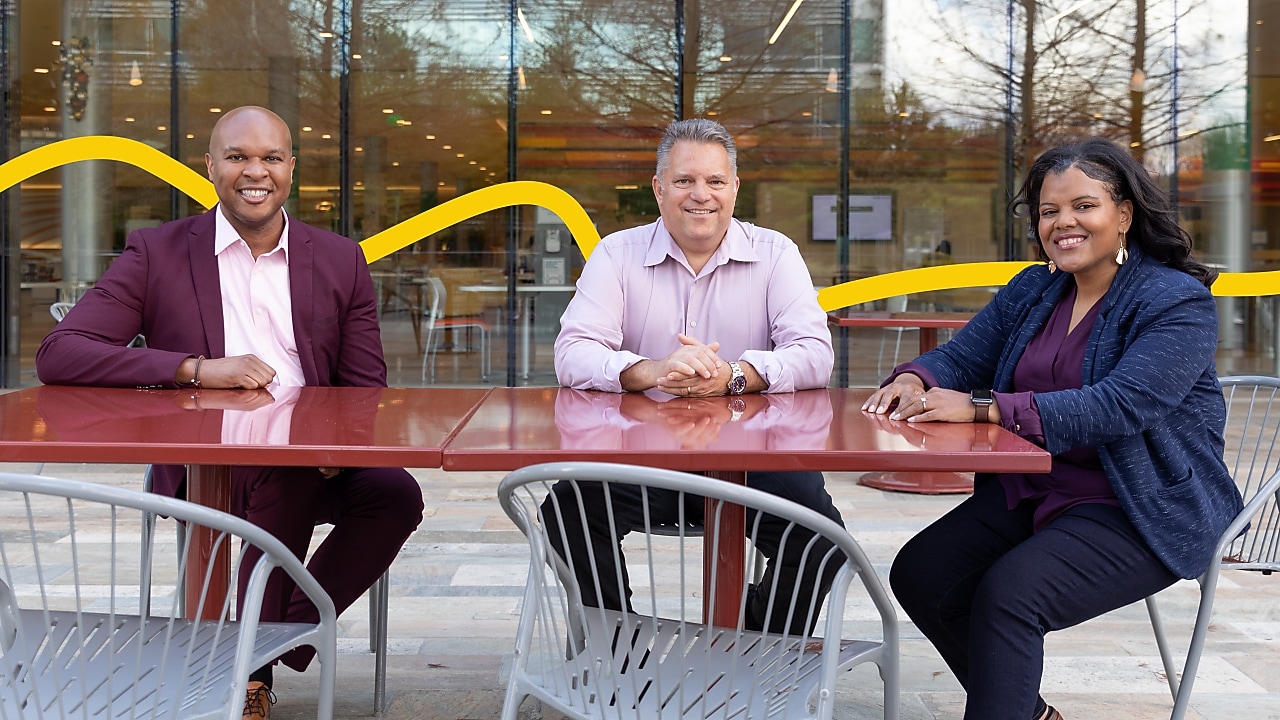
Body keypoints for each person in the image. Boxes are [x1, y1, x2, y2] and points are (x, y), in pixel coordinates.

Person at [36, 105, 424, 720]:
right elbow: (61, 352)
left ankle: (253, 648)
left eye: (271, 157)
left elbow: (364, 389)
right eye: (238, 156)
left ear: (291, 169)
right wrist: (194, 368)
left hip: (317, 457)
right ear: (210, 165)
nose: (255, 172)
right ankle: (251, 676)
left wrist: (335, 445)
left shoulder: (340, 258)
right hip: (209, 460)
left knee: (397, 494)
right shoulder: (157, 253)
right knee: (284, 474)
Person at [863, 137, 1244, 720]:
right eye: (1048, 211)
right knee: (922, 574)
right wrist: (915, 377)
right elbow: (962, 358)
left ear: (1124, 214)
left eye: (1083, 205)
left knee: (1011, 597)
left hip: (1141, 503)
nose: (1063, 222)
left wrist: (985, 407)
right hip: (1041, 485)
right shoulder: (1035, 289)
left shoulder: (1175, 300)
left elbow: (1121, 405)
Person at [549, 117, 842, 635]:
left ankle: (758, 643)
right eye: (684, 181)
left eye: (714, 181)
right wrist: (648, 370)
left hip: (756, 459)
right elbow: (572, 351)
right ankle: (617, 649)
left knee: (823, 541)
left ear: (734, 187)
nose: (699, 195)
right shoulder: (617, 254)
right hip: (640, 457)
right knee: (565, 514)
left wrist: (735, 374)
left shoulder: (776, 254)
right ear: (659, 188)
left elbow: (815, 353)